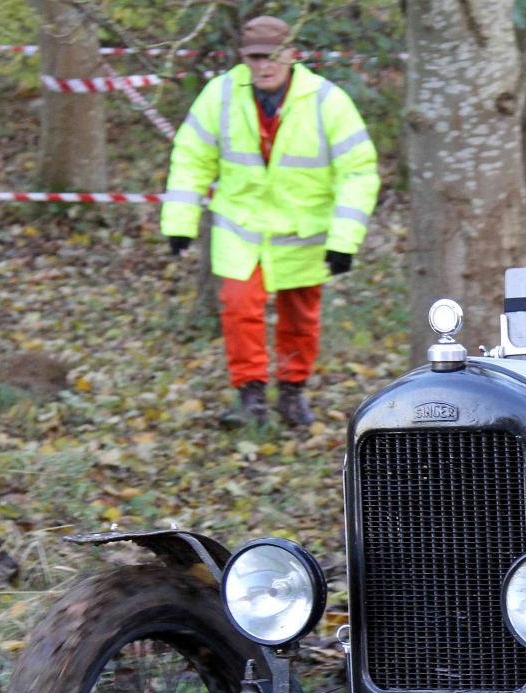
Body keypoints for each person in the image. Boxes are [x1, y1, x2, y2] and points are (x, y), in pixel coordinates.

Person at [162, 16, 380, 427]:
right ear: (243, 57)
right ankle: (250, 397)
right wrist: (179, 222)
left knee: (300, 318)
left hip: (304, 233)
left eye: (271, 57)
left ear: (292, 55)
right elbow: (191, 158)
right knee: (239, 308)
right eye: (254, 57)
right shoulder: (220, 94)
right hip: (241, 230)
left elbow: (359, 172)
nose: (262, 66)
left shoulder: (326, 100)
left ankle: (293, 393)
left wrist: (344, 241)